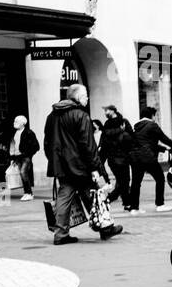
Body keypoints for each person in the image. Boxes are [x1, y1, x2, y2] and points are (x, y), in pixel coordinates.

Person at [43, 83, 123, 245]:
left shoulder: (52, 116)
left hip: (62, 166)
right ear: (79, 97)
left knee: (67, 196)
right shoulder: (81, 115)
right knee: (92, 194)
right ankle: (104, 228)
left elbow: (47, 142)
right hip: (80, 165)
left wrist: (54, 160)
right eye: (86, 95)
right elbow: (88, 145)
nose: (88, 98)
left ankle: (61, 233)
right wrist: (95, 167)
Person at [128, 106, 172, 212]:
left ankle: (134, 208)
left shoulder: (136, 127)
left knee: (136, 182)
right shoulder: (152, 125)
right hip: (147, 157)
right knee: (160, 178)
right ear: (151, 115)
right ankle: (160, 204)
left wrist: (164, 149)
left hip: (135, 158)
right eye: (155, 115)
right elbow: (164, 138)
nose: (155, 118)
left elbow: (148, 143)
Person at [98, 106, 134, 210]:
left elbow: (131, 137)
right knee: (124, 181)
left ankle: (116, 200)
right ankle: (122, 202)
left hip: (123, 156)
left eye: (107, 110)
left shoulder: (123, 121)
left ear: (113, 110)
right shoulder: (108, 124)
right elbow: (104, 140)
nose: (105, 112)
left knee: (123, 181)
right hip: (114, 158)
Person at [6, 115, 39, 202]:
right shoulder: (15, 133)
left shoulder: (29, 132)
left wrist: (28, 154)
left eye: (16, 121)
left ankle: (29, 193)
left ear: (22, 123)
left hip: (25, 157)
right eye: (14, 121)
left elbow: (36, 146)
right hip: (18, 157)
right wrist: (12, 158)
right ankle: (26, 193)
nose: (14, 123)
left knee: (23, 173)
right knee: (22, 174)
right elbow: (13, 146)